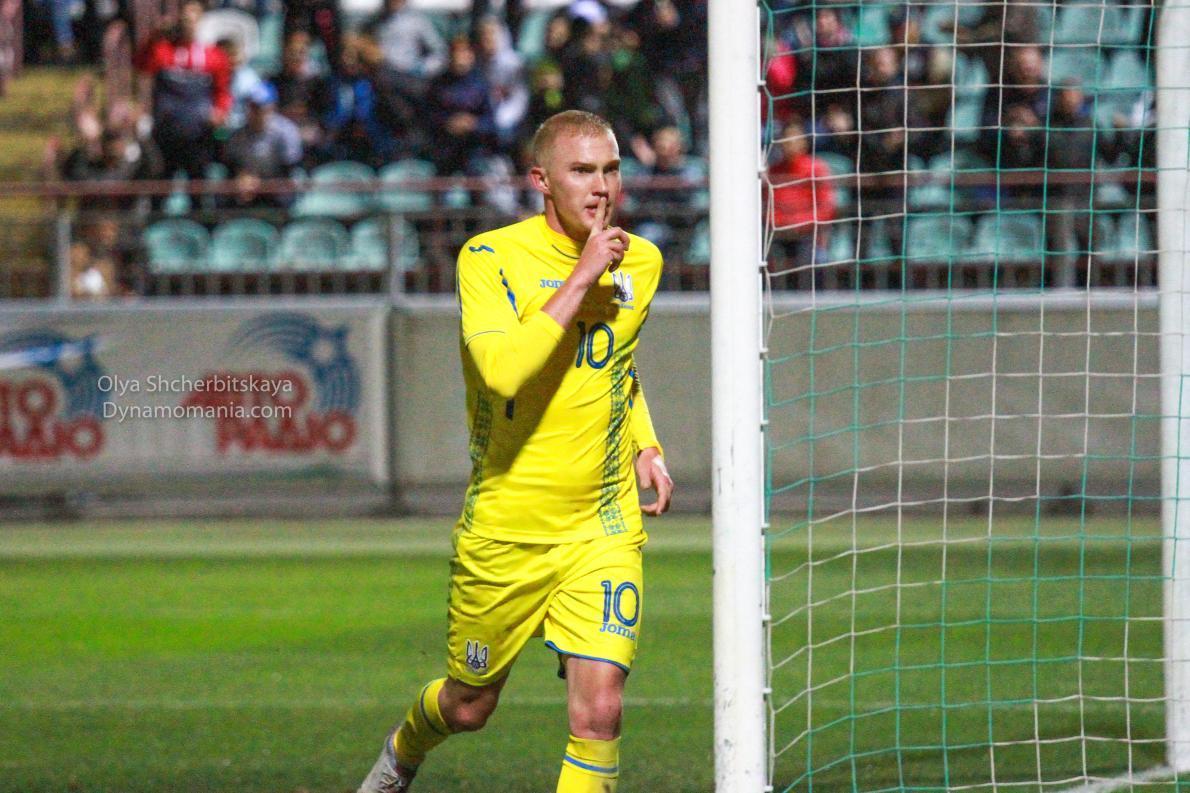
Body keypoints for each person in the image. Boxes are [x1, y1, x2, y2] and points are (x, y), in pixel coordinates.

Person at [358, 109, 674, 793]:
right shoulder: (489, 258)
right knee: (468, 706)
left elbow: (618, 367)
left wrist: (644, 443)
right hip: (507, 529)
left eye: (611, 170)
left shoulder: (641, 262)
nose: (601, 187)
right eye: (582, 171)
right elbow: (503, 371)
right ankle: (401, 754)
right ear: (542, 180)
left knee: (600, 712)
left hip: (601, 526)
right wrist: (582, 277)